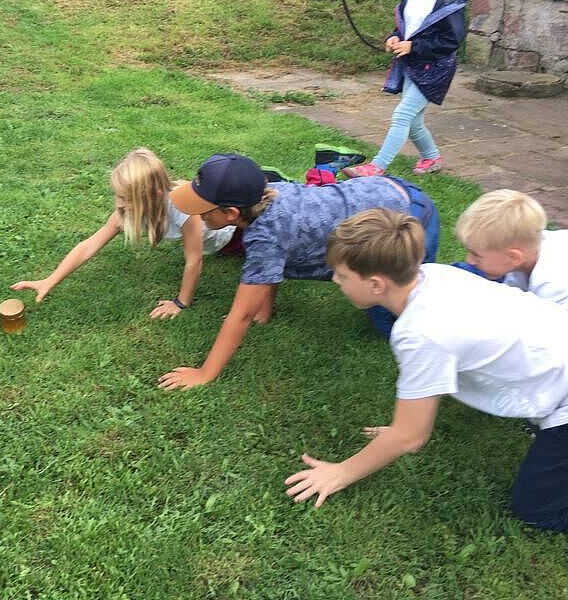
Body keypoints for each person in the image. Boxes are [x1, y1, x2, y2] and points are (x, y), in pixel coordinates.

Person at [285, 208, 568, 533]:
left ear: (376, 284)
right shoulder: (434, 275)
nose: (335, 281)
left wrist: (341, 472)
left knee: (537, 511)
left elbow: (411, 436)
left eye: (342, 275)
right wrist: (400, 429)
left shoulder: (422, 333)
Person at [158, 153, 439, 390]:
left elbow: (240, 314)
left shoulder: (266, 237)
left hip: (408, 217)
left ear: (231, 214)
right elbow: (271, 267)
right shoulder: (270, 195)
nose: (199, 216)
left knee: (398, 317)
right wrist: (263, 311)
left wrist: (205, 374)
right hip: (383, 190)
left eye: (204, 211)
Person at [11, 148, 238, 318]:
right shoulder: (127, 211)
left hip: (234, 236)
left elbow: (194, 260)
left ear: (154, 194)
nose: (120, 204)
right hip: (215, 242)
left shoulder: (183, 208)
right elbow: (89, 246)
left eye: (126, 198)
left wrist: (181, 303)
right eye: (118, 195)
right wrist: (49, 281)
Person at [343, 0, 467, 178]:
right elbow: (406, 27)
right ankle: (432, 158)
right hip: (412, 65)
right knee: (414, 121)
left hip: (435, 69)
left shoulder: (448, 2)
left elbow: (452, 40)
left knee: (402, 114)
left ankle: (376, 167)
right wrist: (395, 37)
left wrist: (414, 47)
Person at [454, 189, 568, 309]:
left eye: (476, 255)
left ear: (514, 257)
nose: (469, 260)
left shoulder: (554, 289)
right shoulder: (526, 245)